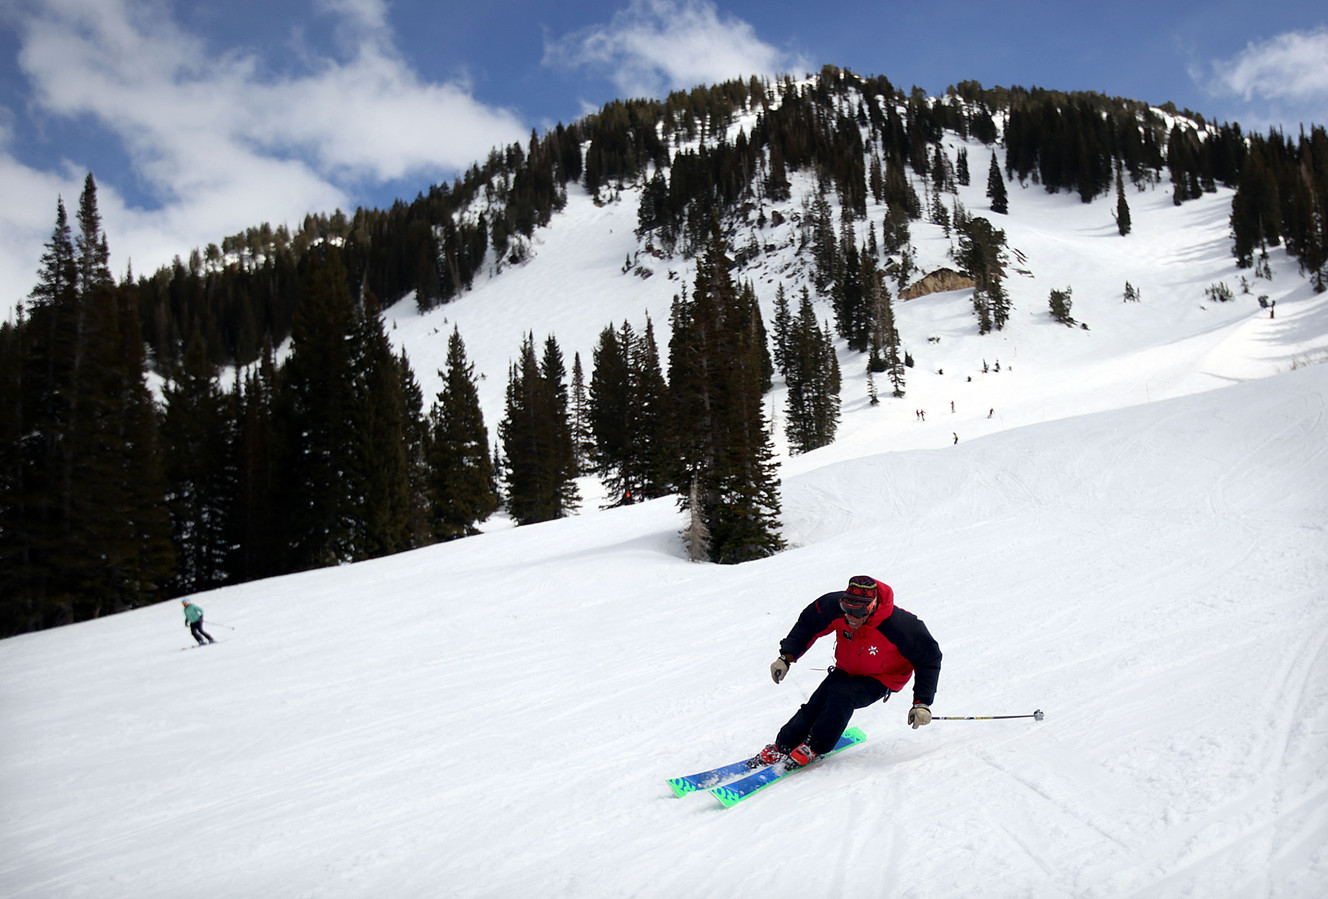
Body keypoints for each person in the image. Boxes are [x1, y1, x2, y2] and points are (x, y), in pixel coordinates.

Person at [755, 575, 941, 769]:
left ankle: (814, 746)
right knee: (818, 701)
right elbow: (808, 625)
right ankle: (784, 745)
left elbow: (929, 659)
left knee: (842, 695)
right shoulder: (833, 607)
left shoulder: (901, 626)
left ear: (872, 606)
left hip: (882, 678)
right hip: (847, 669)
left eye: (858, 611)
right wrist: (786, 657)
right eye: (846, 609)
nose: (851, 617)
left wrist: (922, 703)